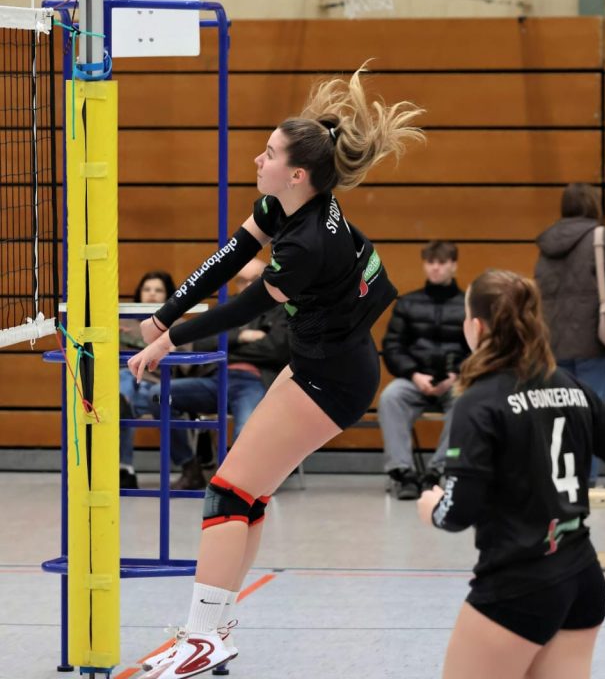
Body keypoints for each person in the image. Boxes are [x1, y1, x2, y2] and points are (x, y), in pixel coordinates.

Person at [127, 66, 424, 678]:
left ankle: (202, 638)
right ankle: (214, 629)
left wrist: (169, 340)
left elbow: (244, 307)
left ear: (296, 173)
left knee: (227, 490)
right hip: (322, 362)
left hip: (333, 379)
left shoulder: (307, 243)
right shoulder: (285, 206)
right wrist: (166, 312)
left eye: (268, 152)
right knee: (249, 493)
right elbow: (229, 257)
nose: (257, 159)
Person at [417, 269, 605, 679]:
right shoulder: (572, 387)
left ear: (476, 326)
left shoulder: (479, 401)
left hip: (516, 587)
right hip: (582, 582)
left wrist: (433, 508)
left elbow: (458, 512)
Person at [534, 182, 605, 483]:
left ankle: (561, 480)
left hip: (553, 342)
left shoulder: (546, 245)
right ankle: (585, 481)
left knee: (559, 414)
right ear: (593, 204)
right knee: (591, 413)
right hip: (593, 341)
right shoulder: (601, 237)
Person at [165, 258, 292, 486]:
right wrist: (241, 337)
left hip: (254, 381)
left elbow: (277, 349)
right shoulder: (226, 306)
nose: (248, 286)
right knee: (160, 395)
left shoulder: (283, 309)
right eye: (242, 281)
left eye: (255, 280)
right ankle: (190, 467)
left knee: (246, 430)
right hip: (215, 380)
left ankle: (239, 485)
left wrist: (226, 348)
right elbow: (200, 343)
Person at [379, 240, 467, 499]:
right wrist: (414, 375)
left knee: (466, 400)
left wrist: (455, 375)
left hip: (454, 381)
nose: (435, 268)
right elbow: (392, 346)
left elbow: (479, 350)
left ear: (454, 265)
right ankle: (403, 473)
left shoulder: (468, 304)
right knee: (390, 397)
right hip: (415, 379)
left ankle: (436, 471)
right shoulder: (407, 303)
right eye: (430, 262)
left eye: (442, 263)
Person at [119, 271, 198, 490]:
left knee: (142, 399)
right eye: (147, 289)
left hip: (157, 387)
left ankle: (125, 470)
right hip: (128, 384)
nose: (152, 294)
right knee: (123, 381)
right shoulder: (122, 321)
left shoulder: (179, 325)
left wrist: (168, 347)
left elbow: (187, 366)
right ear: (139, 293)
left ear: (168, 295)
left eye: (158, 290)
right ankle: (125, 468)